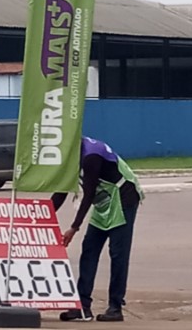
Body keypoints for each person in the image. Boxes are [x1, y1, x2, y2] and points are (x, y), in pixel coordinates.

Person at [52, 136, 144, 322]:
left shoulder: (90, 155)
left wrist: (74, 227)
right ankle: (82, 306)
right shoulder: (70, 155)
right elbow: (61, 191)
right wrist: (41, 217)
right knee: (89, 250)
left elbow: (89, 193)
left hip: (123, 197)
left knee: (118, 253)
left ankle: (115, 307)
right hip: (103, 202)